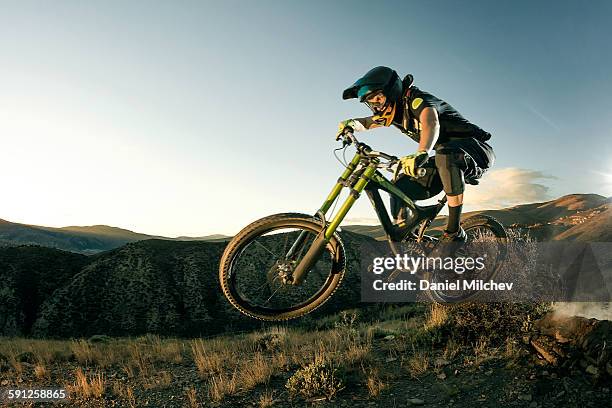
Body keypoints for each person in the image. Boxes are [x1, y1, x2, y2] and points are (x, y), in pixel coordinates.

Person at [339, 66, 495, 243]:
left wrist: (422, 152)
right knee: (398, 187)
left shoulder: (416, 99)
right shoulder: (394, 112)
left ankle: (454, 232)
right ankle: (411, 240)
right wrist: (350, 125)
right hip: (444, 157)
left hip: (476, 150)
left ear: (391, 90)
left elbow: (431, 123)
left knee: (445, 155)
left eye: (378, 97)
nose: (376, 105)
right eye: (371, 102)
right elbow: (367, 122)